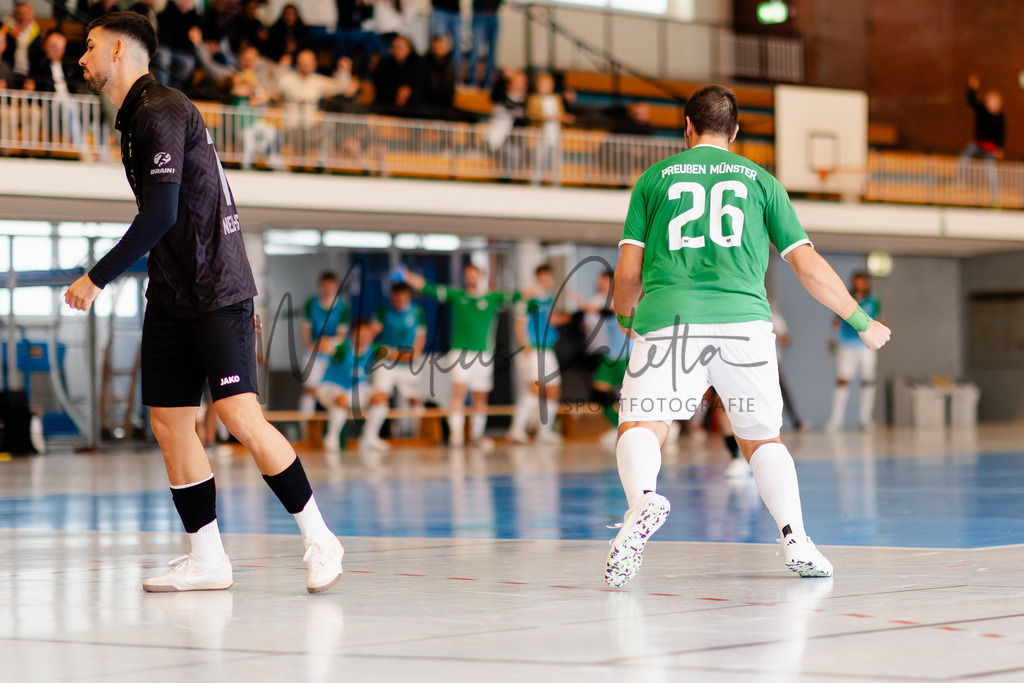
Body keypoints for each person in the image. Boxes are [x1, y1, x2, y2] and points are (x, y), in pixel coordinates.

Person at [68, 12, 343, 594]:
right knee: (170, 424)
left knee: (240, 417)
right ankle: (208, 559)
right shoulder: (133, 118)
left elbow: (161, 215)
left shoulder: (160, 109)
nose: (81, 58)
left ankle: (321, 538)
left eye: (89, 47)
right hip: (172, 294)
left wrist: (96, 277)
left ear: (118, 51)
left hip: (217, 289)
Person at [606, 83, 891, 587]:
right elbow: (807, 267)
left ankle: (644, 503)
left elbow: (628, 275)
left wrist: (627, 318)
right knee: (761, 439)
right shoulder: (763, 182)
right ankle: (796, 540)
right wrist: (861, 321)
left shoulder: (652, 180)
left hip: (669, 318)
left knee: (642, 424)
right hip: (744, 323)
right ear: (734, 132)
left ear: (687, 128)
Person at [401, 263, 515, 448]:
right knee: (459, 392)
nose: (471, 278)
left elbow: (521, 296)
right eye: (467, 275)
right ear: (464, 278)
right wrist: (407, 276)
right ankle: (457, 435)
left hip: (484, 353)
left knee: (480, 396)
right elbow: (429, 288)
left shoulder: (493, 297)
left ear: (481, 276)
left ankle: (476, 436)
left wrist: (537, 288)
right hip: (460, 352)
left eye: (474, 274)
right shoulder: (457, 295)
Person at [508, 264, 569, 444]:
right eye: (543, 278)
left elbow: (549, 320)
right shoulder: (528, 297)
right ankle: (516, 429)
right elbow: (519, 321)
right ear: (537, 278)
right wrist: (524, 346)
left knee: (553, 390)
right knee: (535, 389)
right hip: (534, 349)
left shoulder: (548, 298)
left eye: (548, 278)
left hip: (548, 349)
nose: (546, 281)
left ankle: (545, 432)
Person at [315, 317, 389, 454]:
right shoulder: (343, 346)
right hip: (331, 387)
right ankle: (331, 438)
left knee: (380, 399)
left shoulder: (374, 349)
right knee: (341, 400)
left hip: (355, 390)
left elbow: (391, 352)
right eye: (361, 334)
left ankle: (369, 438)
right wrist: (326, 344)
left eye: (367, 334)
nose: (364, 337)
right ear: (353, 333)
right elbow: (325, 345)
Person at [367, 281, 427, 444]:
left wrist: (409, 355)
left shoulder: (417, 312)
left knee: (415, 400)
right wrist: (382, 350)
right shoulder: (383, 311)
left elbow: (421, 338)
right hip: (386, 362)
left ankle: (419, 436)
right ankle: (370, 437)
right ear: (392, 297)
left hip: (408, 364)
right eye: (396, 298)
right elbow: (370, 335)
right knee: (380, 397)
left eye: (403, 298)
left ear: (408, 296)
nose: (399, 301)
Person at [825, 271, 883, 432]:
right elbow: (836, 320)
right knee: (842, 380)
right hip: (847, 345)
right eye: (856, 282)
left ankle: (866, 420)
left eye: (862, 282)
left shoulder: (874, 300)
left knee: (868, 380)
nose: (859, 285)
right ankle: (836, 421)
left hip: (867, 347)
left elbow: (879, 318)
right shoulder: (846, 298)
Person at [299, 271, 350, 421]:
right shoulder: (311, 303)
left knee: (335, 391)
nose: (327, 289)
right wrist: (313, 346)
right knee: (310, 391)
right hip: (313, 354)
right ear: (320, 286)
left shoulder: (342, 307)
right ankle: (306, 429)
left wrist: (328, 343)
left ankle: (333, 429)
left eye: (331, 286)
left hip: (332, 355)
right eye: (325, 286)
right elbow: (305, 331)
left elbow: (342, 336)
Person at [960, 74, 1005, 205]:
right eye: (990, 101)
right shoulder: (982, 110)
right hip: (977, 143)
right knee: (963, 159)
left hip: (990, 147)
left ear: (999, 104)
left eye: (995, 102)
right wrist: (972, 88)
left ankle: (995, 198)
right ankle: (960, 183)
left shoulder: (1000, 117)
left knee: (991, 172)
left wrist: (1000, 148)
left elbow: (1002, 133)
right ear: (986, 102)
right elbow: (971, 100)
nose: (992, 104)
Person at [527, 72, 573, 185]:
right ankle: (535, 184)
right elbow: (533, 115)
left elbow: (561, 113)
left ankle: (555, 185)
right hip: (541, 135)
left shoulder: (556, 98)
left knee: (555, 163)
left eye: (549, 84)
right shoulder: (534, 99)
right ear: (537, 85)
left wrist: (564, 117)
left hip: (555, 135)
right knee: (539, 162)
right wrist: (551, 117)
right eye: (543, 84)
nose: (546, 87)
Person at [152, 0, 201, 89]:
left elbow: (193, 42)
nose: (187, 3)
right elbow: (162, 37)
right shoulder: (166, 12)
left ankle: (173, 90)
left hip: (179, 52)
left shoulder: (193, 17)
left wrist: (194, 41)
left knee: (188, 62)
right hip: (164, 48)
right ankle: (163, 90)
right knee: (164, 56)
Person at [371, 34, 421, 113]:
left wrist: (407, 93)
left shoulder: (418, 65)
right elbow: (380, 86)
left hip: (413, 107)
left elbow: (421, 87)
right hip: (387, 105)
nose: (396, 50)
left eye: (399, 47)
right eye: (393, 47)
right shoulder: (384, 64)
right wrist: (397, 92)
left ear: (409, 49)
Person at [1, 1, 42, 89]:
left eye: (26, 13)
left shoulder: (37, 33)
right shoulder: (8, 30)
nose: (23, 17)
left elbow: (37, 58)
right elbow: (4, 53)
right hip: (11, 71)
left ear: (32, 15)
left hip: (28, 74)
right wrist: (12, 38)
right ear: (15, 15)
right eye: (20, 13)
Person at [466, 0, 500, 88]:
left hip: (494, 15)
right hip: (480, 15)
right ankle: (472, 82)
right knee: (476, 51)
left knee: (492, 53)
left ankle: (488, 83)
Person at [430, 0, 462, 81]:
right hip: (439, 9)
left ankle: (454, 79)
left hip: (455, 11)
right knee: (438, 45)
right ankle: (436, 78)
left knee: (457, 47)